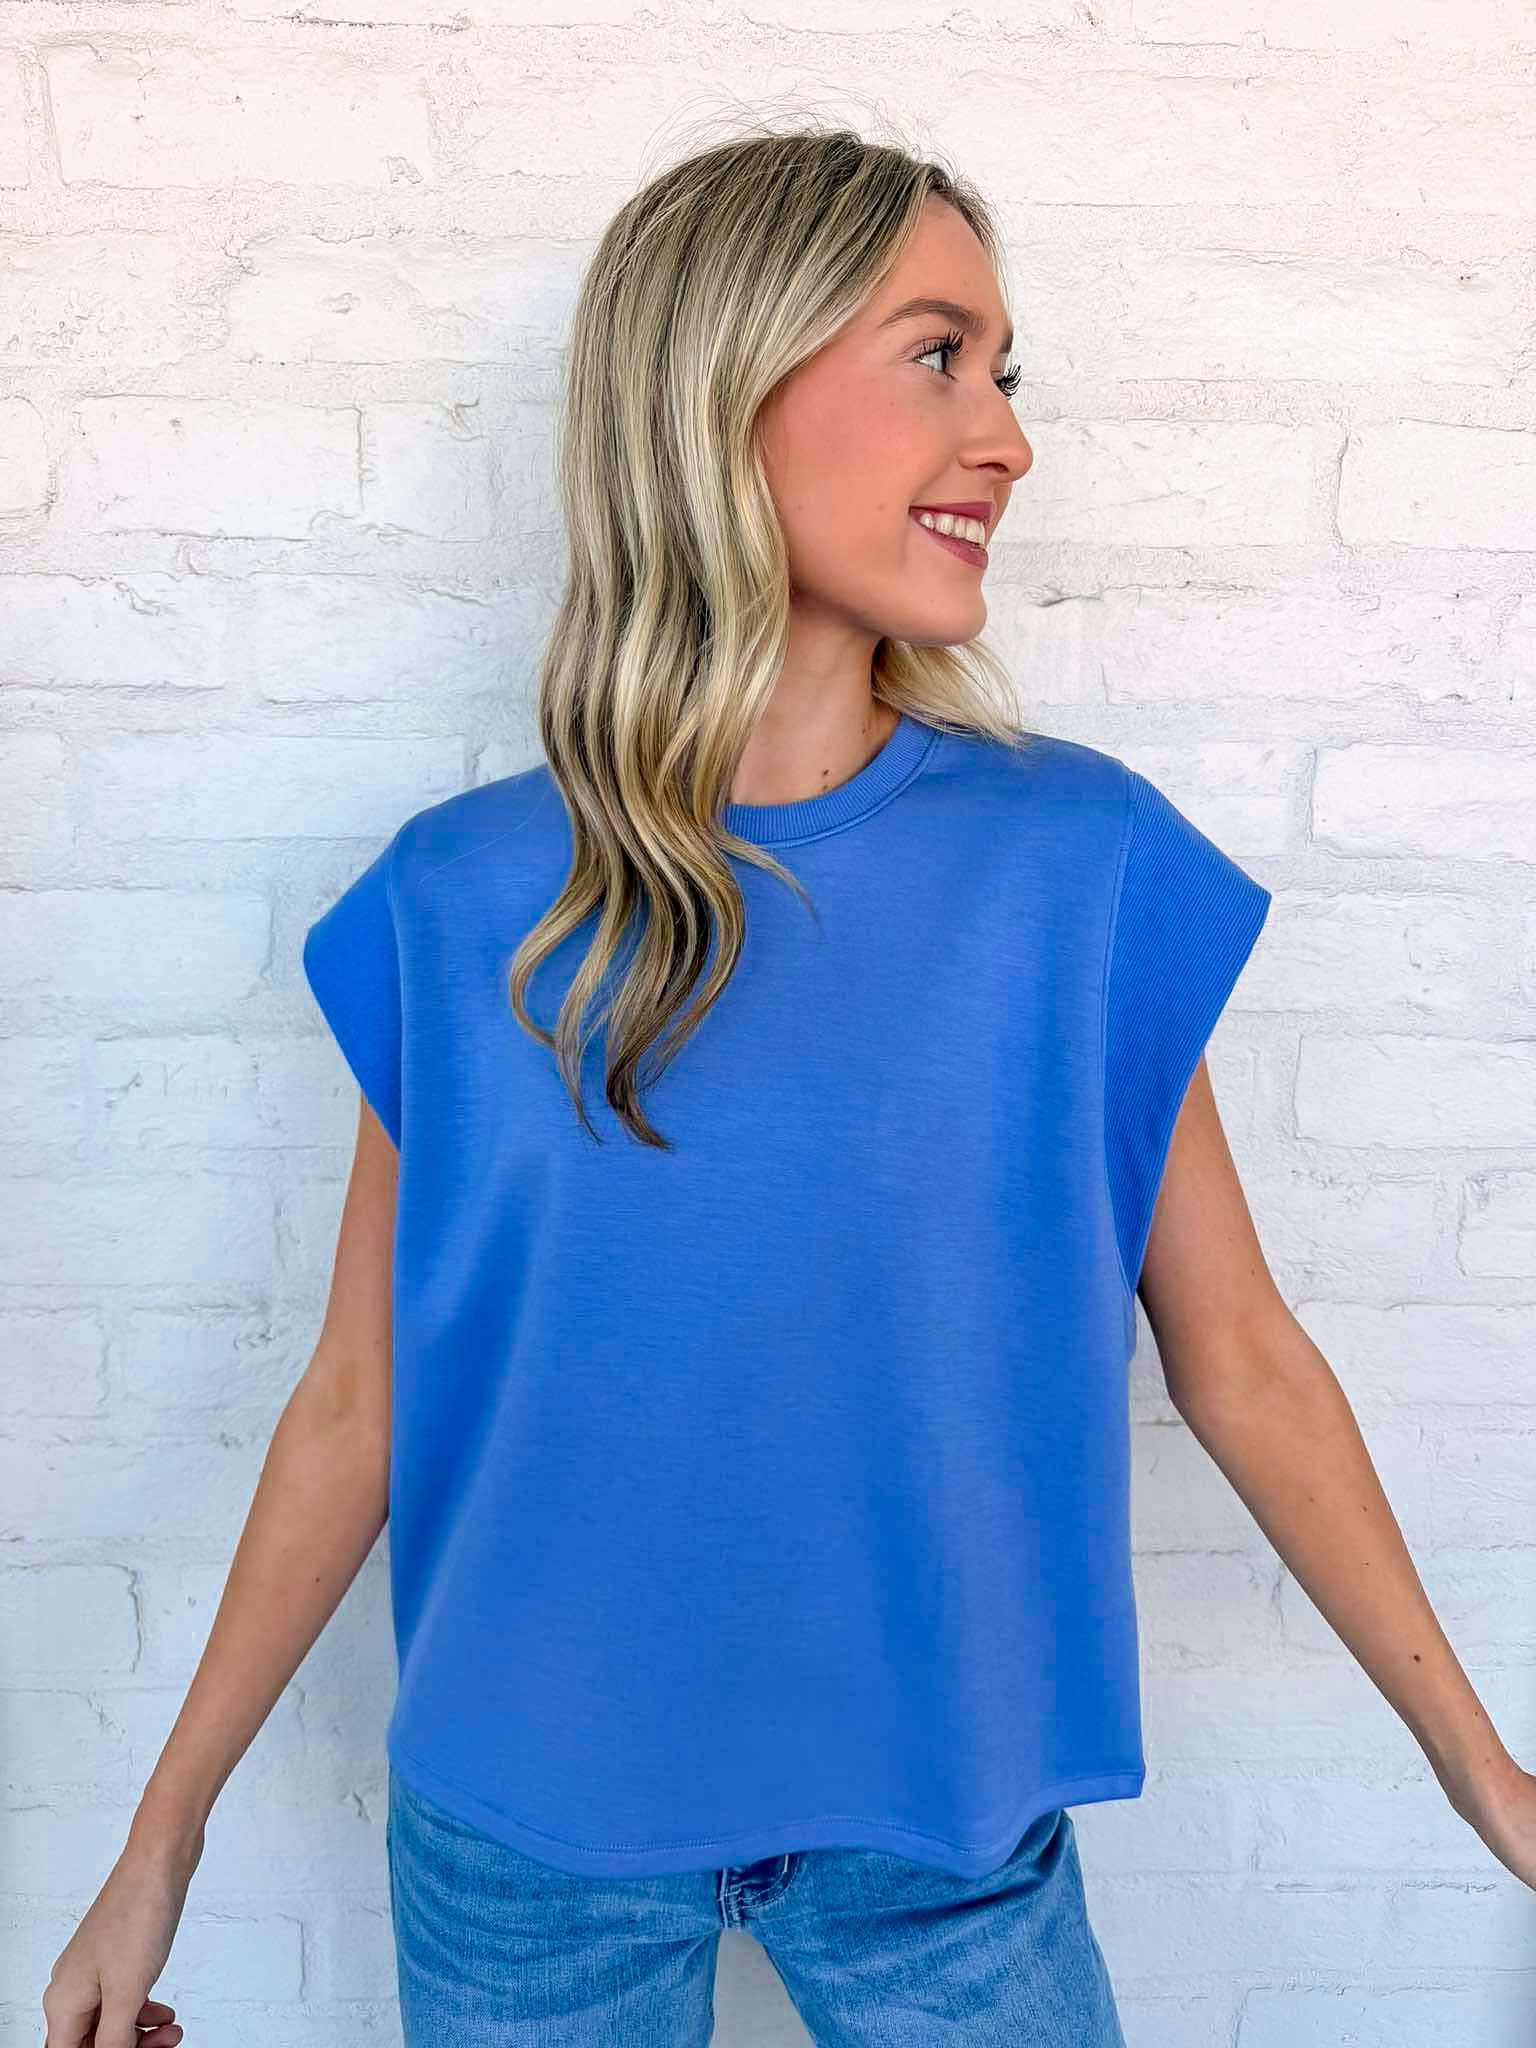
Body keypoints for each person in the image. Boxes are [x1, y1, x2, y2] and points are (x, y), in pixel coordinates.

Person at [43, 121, 1536, 2048]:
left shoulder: (1079, 872)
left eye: (1005, 372)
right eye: (939, 357)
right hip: (524, 1841)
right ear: (724, 391)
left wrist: (1481, 1775)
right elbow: (358, 1400)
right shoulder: (463, 903)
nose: (1007, 438)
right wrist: (158, 1844)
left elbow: (1240, 1356)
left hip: (945, 1835)